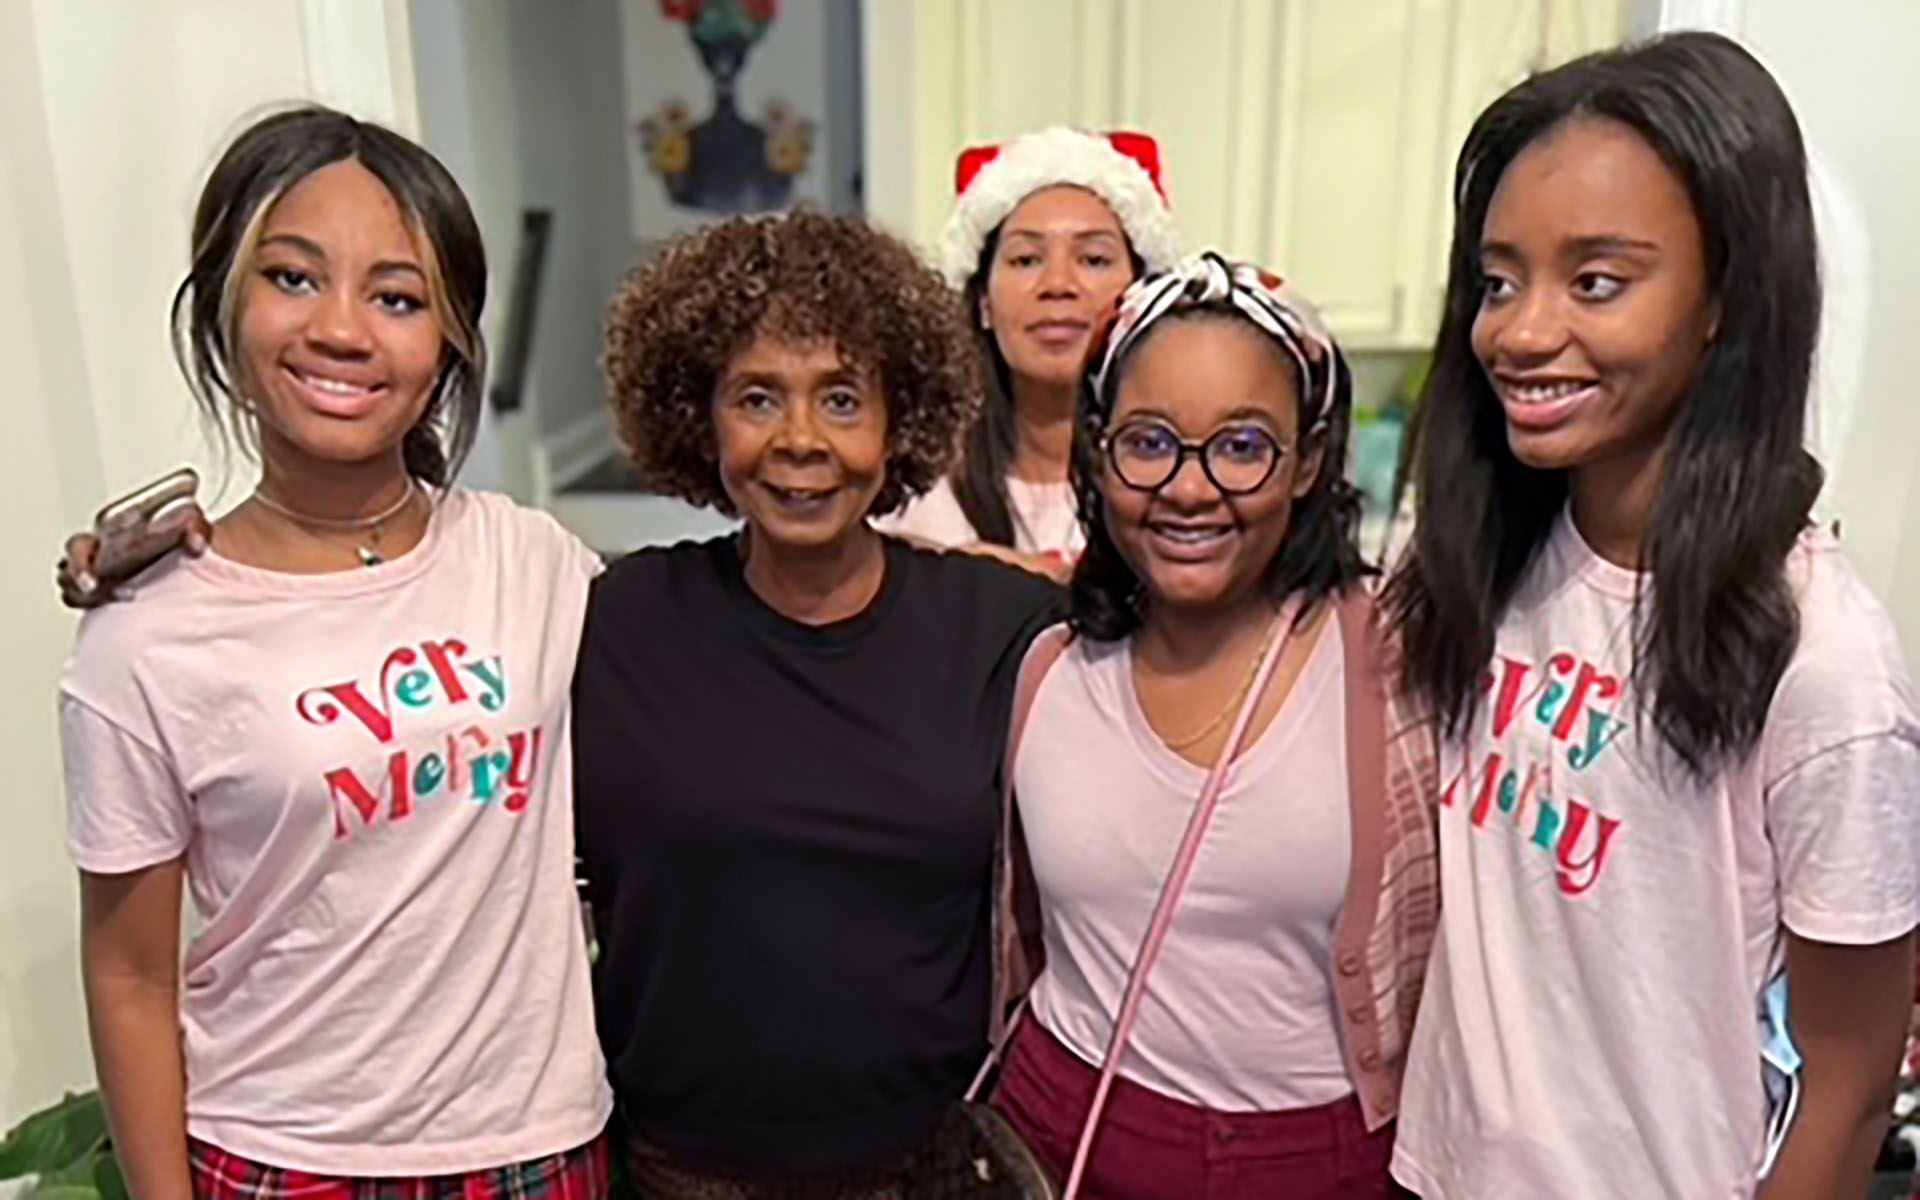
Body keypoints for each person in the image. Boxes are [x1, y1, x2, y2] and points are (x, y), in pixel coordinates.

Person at [1382, 32, 1919, 1200]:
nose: (1519, 333)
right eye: (1499, 278)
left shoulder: (1826, 662)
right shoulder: (1477, 564)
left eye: (1597, 281)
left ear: (1728, 296)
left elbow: (1853, 1078)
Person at [58, 107, 611, 1198]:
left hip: (540, 1148)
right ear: (224, 307)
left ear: (449, 341)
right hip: (283, 1157)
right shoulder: (144, 633)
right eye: (294, 278)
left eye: (397, 297)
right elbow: (128, 971)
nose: (343, 331)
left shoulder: (536, 563)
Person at [574, 211, 1063, 1197]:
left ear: (900, 422)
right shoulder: (614, 624)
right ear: (699, 419)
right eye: (758, 398)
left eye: (842, 400)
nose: (801, 441)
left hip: (935, 1164)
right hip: (679, 1170)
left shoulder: (1003, 626)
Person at [988, 253, 1438, 1198]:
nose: (1190, 489)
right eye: (1149, 442)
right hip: (1062, 1126)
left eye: (1242, 446)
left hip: (1320, 1158)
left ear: (1310, 459)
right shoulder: (1047, 672)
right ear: (1099, 451)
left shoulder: (1398, 666)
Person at [878, 127, 1181, 571]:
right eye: (1026, 260)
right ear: (982, 302)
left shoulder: (1188, 478)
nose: (1058, 286)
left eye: (1093, 259)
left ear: (1142, 293)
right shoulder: (912, 490)